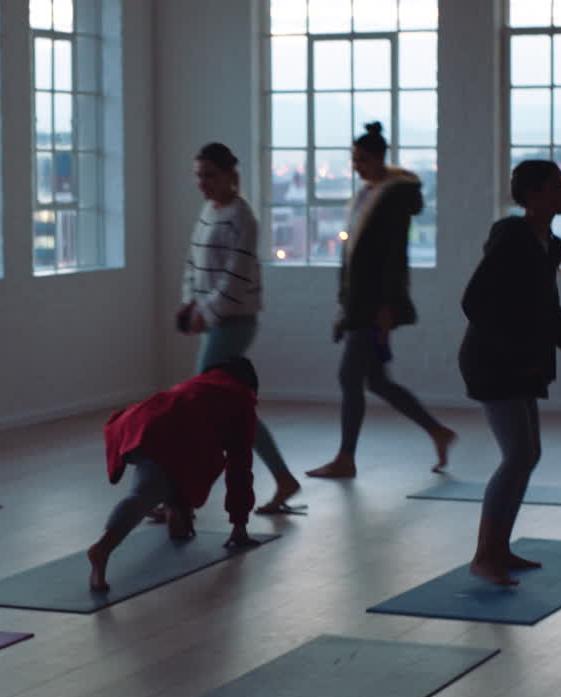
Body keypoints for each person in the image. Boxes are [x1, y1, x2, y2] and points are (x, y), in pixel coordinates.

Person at [459, 159, 561, 586]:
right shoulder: (511, 241)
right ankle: (484, 556)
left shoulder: (549, 245)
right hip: (492, 362)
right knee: (519, 455)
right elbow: (474, 302)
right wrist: (508, 350)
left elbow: (549, 313)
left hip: (522, 362)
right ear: (535, 195)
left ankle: (500, 549)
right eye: (559, 186)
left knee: (527, 455)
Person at [307, 122, 456, 480]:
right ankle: (437, 431)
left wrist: (385, 309)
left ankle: (346, 458)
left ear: (377, 159)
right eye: (353, 159)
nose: (355, 166)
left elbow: (392, 257)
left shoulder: (390, 199)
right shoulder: (369, 194)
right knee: (375, 381)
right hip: (361, 303)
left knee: (350, 377)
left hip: (372, 306)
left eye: (360, 159)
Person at [177, 142, 301, 514]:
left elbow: (236, 277)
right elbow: (192, 262)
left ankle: (177, 494)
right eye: (199, 177)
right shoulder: (208, 212)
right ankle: (283, 478)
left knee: (201, 404)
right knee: (231, 409)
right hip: (217, 322)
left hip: (234, 324)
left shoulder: (243, 217)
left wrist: (206, 313)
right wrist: (190, 303)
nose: (203, 184)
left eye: (210, 176)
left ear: (231, 176)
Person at [87, 358, 262, 591]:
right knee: (143, 495)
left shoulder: (201, 384)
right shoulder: (242, 398)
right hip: (167, 436)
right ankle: (102, 549)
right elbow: (240, 465)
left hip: (137, 423)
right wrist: (239, 524)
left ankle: (174, 511)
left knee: (159, 479)